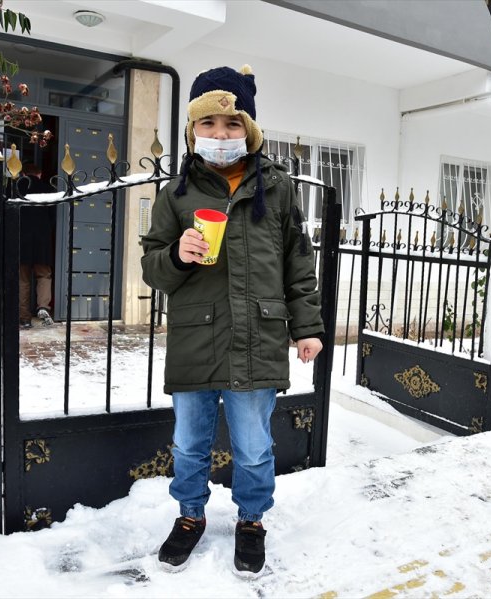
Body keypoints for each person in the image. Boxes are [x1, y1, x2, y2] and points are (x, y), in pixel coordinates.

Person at [141, 64, 324, 577]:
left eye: (232, 125)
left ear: (251, 130)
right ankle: (190, 516)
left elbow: (298, 262)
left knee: (253, 446)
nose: (220, 135)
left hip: (258, 338)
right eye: (209, 124)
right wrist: (177, 254)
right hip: (196, 339)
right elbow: (152, 269)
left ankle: (251, 521)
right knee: (190, 444)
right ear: (192, 131)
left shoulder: (279, 189)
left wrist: (306, 326)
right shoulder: (175, 195)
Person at [18, 162, 56, 328]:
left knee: (23, 279)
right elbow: (53, 217)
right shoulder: (48, 188)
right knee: (44, 275)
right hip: (42, 240)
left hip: (22, 240)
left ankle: (24, 318)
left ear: (23, 174)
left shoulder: (18, 187)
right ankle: (42, 306)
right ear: (40, 174)